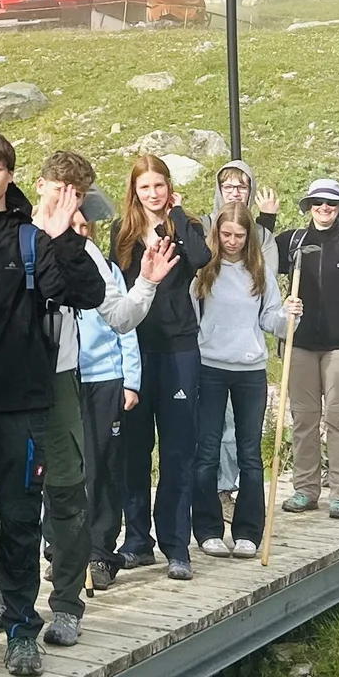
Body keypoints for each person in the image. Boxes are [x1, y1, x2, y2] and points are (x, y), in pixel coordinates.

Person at [0, 131, 103, 675]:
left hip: (22, 403)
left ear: (10, 174)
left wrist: (62, 241)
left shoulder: (34, 237)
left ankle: (20, 629)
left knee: (21, 517)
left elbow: (86, 294)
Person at [110, 154, 209, 579]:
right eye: (145, 187)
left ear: (169, 188)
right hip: (136, 348)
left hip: (179, 348)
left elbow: (203, 258)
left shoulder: (185, 228)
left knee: (177, 448)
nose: (152, 193)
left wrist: (179, 215)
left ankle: (176, 544)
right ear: (134, 191)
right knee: (134, 449)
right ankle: (137, 541)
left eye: (159, 185)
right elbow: (116, 290)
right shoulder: (122, 233)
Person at [30, 150, 109, 645]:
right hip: (10, 378)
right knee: (2, 495)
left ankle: (66, 605)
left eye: (77, 193)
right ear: (41, 185)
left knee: (66, 487)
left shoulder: (79, 243)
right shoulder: (15, 231)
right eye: (59, 188)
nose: (67, 199)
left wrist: (66, 242)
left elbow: (94, 295)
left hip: (60, 374)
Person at [275, 180, 339, 519]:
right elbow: (256, 258)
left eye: (331, 204)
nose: (324, 208)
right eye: (318, 203)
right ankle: (305, 489)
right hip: (300, 343)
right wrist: (264, 218)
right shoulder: (292, 241)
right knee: (303, 419)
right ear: (308, 206)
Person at [191, 210, 284, 556]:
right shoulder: (204, 271)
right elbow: (192, 313)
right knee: (207, 451)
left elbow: (272, 319)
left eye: (239, 236)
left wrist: (289, 316)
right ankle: (207, 529)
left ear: (249, 238)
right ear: (217, 234)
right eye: (226, 235)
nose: (232, 242)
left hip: (250, 369)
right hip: (210, 366)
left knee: (249, 453)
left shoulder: (259, 272)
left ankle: (249, 532)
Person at [77, 185, 141, 594]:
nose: (80, 231)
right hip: (65, 379)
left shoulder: (108, 269)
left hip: (106, 379)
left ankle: (101, 552)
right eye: (73, 223)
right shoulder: (52, 267)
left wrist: (130, 379)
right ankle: (63, 552)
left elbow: (126, 327)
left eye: (87, 225)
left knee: (103, 466)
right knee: (68, 472)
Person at [208, 162, 277, 511]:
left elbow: (269, 304)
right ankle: (211, 497)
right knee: (209, 435)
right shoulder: (202, 233)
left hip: (247, 359)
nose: (235, 191)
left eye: (242, 186)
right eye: (228, 185)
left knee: (240, 432)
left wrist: (287, 316)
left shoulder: (261, 242)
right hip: (209, 358)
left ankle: (230, 490)